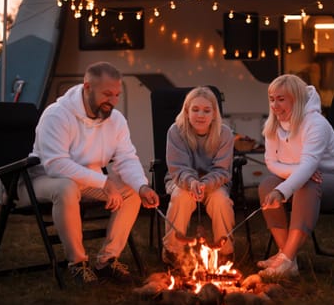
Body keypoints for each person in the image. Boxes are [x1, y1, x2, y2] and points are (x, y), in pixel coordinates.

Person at [19, 61, 159, 285]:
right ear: (87, 88)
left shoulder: (116, 120)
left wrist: (142, 186)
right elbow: (56, 165)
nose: (112, 101)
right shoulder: (57, 115)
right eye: (106, 94)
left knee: (131, 191)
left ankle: (107, 261)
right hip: (41, 180)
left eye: (116, 94)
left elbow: (126, 159)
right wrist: (103, 182)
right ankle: (77, 263)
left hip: (87, 182)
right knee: (66, 187)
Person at [257, 74, 334, 278]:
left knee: (306, 185)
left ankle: (286, 258)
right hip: (306, 175)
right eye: (272, 99)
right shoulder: (273, 125)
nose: (275, 105)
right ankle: (287, 257)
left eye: (281, 99)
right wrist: (297, 175)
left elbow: (310, 164)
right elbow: (271, 162)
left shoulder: (315, 123)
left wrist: (287, 187)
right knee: (267, 185)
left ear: (296, 99)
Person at [161, 86, 236, 271]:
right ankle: (172, 250)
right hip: (182, 180)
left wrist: (205, 184)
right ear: (187, 111)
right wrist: (192, 183)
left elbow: (222, 170)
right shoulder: (176, 132)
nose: (200, 115)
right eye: (195, 110)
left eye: (206, 110)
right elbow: (178, 168)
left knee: (221, 200)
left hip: (215, 181)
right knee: (181, 197)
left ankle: (225, 251)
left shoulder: (224, 134)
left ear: (214, 114)